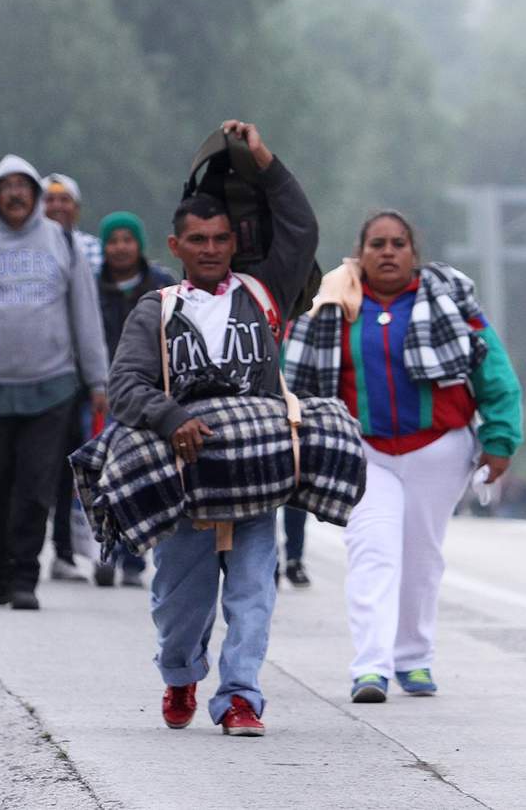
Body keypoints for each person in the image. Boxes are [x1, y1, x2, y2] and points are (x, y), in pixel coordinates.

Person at [108, 120, 317, 736]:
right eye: (197, 239)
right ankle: (180, 674)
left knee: (253, 591)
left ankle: (241, 697)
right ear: (175, 246)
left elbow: (301, 228)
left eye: (220, 238)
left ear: (234, 242)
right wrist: (171, 419)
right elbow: (125, 387)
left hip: (254, 478)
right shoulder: (158, 309)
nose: (210, 249)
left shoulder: (264, 292)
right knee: (181, 602)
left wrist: (262, 157)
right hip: (185, 483)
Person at [283, 211, 523, 703]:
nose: (388, 252)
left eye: (398, 243)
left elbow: (492, 368)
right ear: (361, 252)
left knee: (421, 557)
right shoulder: (332, 304)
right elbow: (297, 382)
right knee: (372, 552)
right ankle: (370, 666)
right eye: (377, 244)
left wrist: (500, 438)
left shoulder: (450, 302)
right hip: (365, 450)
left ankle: (413, 657)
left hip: (438, 448)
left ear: (414, 253)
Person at [0, 155, 109, 611]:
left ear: (34, 193)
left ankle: (25, 575)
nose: (14, 194)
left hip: (52, 389)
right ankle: (1, 561)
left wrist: (98, 381)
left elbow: (85, 318)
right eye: (5, 186)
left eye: (21, 186)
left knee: (35, 486)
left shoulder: (62, 246)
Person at [90, 209, 175, 587]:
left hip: (151, 397)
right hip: (102, 396)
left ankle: (135, 559)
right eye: (113, 240)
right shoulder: (91, 288)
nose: (120, 247)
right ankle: (106, 549)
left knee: (144, 476)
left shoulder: (162, 286)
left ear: (139, 245)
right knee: (105, 477)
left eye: (127, 239)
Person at [41, 171, 104, 582]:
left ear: (77, 209)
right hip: (41, 370)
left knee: (79, 465)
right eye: (49, 199)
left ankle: (78, 549)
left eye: (65, 200)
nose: (57, 206)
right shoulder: (25, 248)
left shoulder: (94, 252)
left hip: (84, 376)